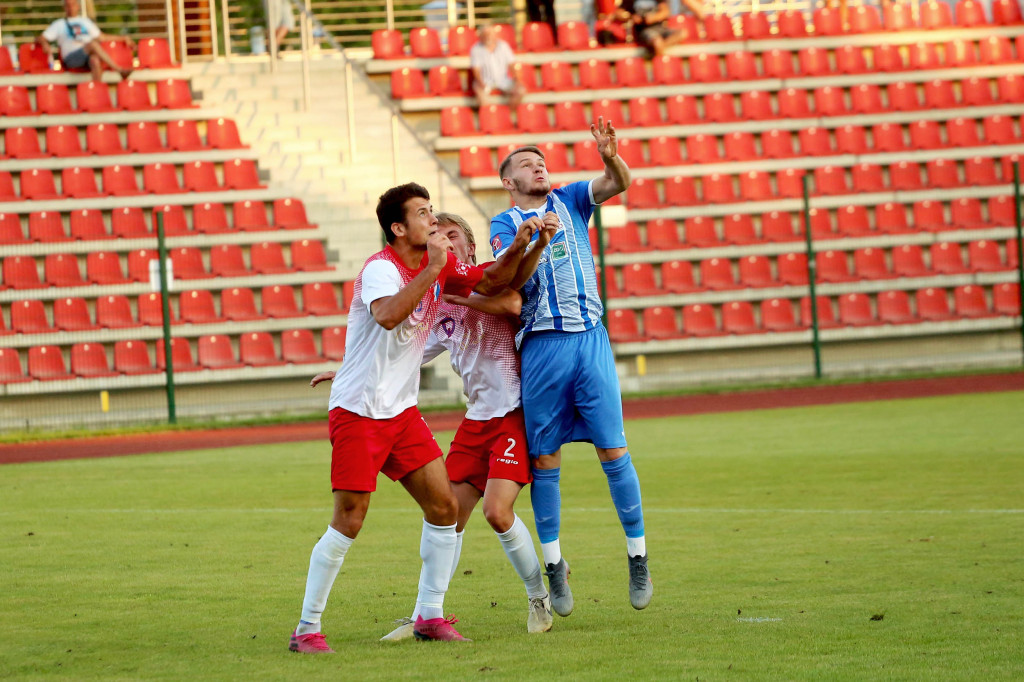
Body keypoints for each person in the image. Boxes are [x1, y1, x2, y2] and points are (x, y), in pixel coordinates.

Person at [289, 183, 538, 653]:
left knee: (444, 509)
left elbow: (492, 282)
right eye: (423, 213)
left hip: (401, 415)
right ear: (399, 228)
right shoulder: (381, 269)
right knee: (350, 519)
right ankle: (306, 628)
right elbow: (387, 315)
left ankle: (429, 617)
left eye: (432, 211)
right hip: (359, 412)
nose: (433, 220)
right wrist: (434, 270)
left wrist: (525, 244)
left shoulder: (438, 267)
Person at [487, 119, 653, 620]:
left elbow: (619, 182)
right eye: (526, 164)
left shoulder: (571, 198)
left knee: (614, 449)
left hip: (590, 339)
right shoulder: (504, 224)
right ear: (509, 180)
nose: (539, 167)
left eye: (541, 161)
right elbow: (509, 280)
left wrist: (610, 156)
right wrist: (529, 241)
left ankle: (638, 557)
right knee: (545, 460)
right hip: (543, 346)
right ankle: (555, 566)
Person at [37, 0, 134, 82]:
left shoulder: (85, 21)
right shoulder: (59, 24)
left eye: (73, 5)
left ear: (78, 6)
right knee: (92, 44)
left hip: (87, 57)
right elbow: (40, 38)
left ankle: (97, 91)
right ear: (64, 8)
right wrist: (45, 43)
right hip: (71, 59)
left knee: (95, 60)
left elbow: (102, 37)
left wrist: (123, 38)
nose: (71, 8)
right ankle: (119, 70)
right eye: (68, 5)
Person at [616, 0, 702, 56]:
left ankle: (659, 50)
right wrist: (631, 17)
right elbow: (618, 13)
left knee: (682, 33)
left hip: (660, 28)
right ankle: (661, 63)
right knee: (657, 41)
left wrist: (654, 17)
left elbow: (666, 12)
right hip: (645, 30)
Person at [469, 23, 526, 109]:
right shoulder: (475, 49)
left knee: (521, 90)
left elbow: (512, 65)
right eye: (485, 34)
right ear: (480, 36)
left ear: (494, 35)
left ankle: (506, 112)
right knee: (480, 94)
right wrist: (481, 83)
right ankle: (489, 114)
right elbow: (476, 71)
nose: (488, 36)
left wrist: (517, 80)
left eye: (489, 34)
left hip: (504, 81)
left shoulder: (503, 46)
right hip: (485, 81)